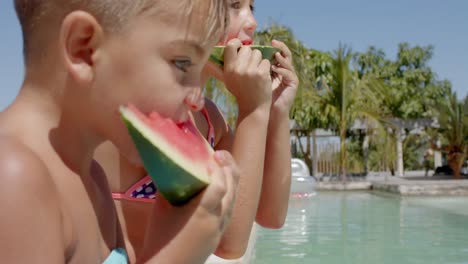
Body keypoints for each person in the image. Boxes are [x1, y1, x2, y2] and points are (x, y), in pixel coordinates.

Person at [0, 0, 240, 263]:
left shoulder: (95, 180)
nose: (198, 100)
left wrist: (163, 239)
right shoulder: (13, 177)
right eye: (182, 63)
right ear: (84, 47)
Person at [95, 0, 299, 259]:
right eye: (234, 6)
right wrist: (254, 109)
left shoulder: (211, 119)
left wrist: (277, 108)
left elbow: (270, 215)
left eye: (252, 7)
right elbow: (230, 243)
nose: (252, 22)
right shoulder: (144, 109)